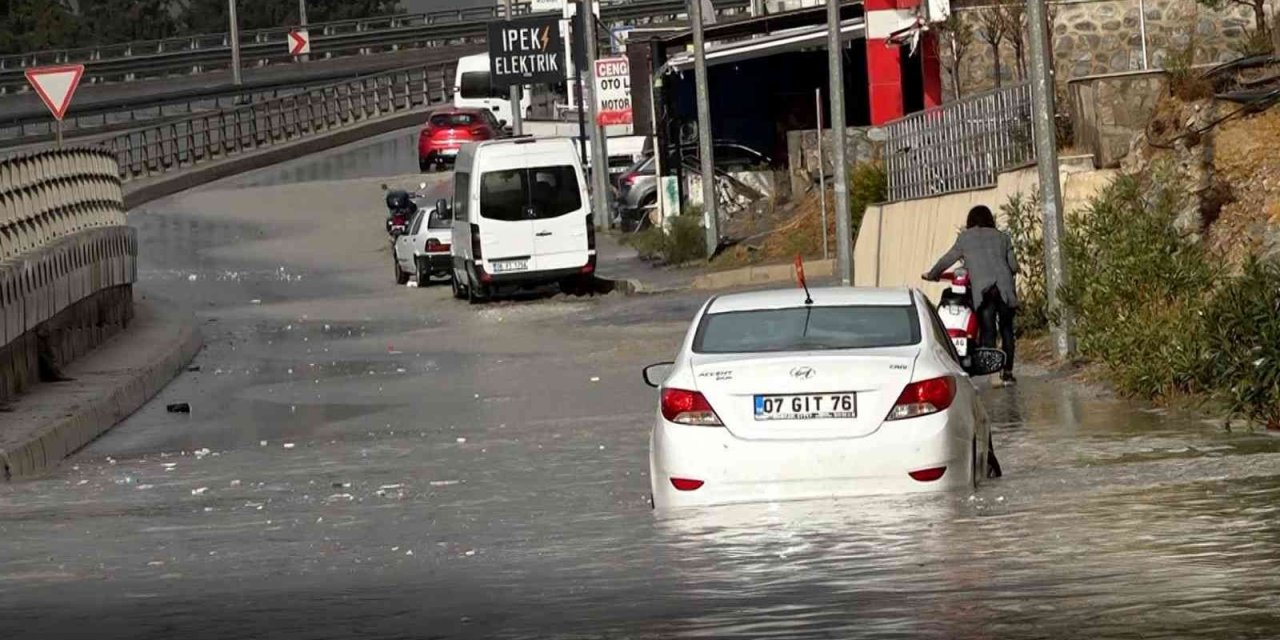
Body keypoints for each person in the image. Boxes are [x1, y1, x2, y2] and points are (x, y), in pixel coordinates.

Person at [922, 205, 1019, 385]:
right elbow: (1013, 267)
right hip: (1005, 289)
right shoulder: (1003, 238)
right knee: (1006, 330)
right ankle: (1007, 373)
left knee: (988, 330)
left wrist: (933, 274)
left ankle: (990, 372)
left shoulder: (965, 238)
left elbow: (948, 259)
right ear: (990, 219)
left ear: (970, 221)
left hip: (984, 290)